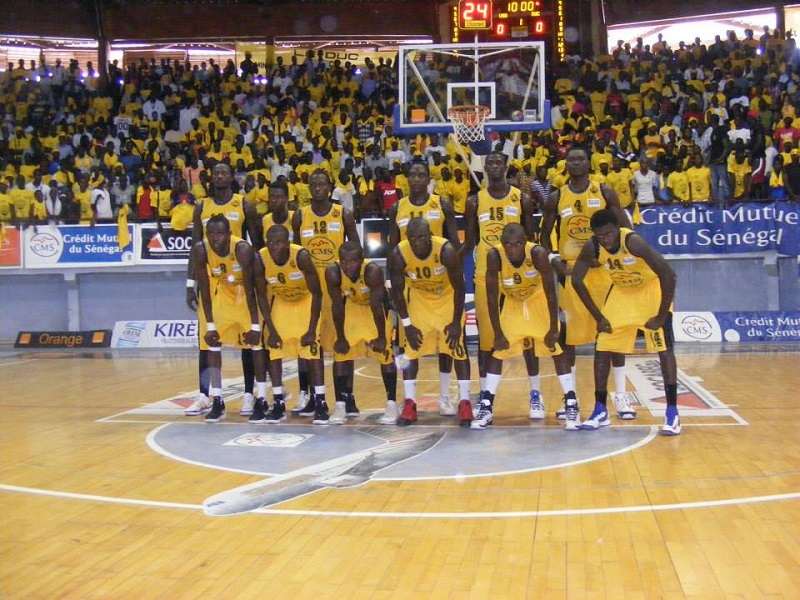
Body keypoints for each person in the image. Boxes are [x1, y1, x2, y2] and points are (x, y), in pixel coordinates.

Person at [541, 146, 634, 429]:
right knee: (568, 338)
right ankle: (570, 399)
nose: (576, 162)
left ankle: (620, 396)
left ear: (588, 162)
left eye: (581, 158)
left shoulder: (604, 191)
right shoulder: (557, 196)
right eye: (572, 159)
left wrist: (623, 257)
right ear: (566, 164)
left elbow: (625, 226)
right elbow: (544, 235)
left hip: (604, 272)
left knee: (611, 334)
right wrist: (554, 259)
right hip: (573, 274)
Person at [571, 209, 681, 435]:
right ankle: (600, 408)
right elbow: (576, 280)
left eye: (609, 234)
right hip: (623, 293)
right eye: (600, 235)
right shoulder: (593, 246)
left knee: (663, 348)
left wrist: (661, 316)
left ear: (617, 229)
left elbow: (668, 275)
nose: (606, 240)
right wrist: (598, 317)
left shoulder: (633, 242)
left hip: (651, 290)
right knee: (602, 346)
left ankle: (672, 412)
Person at [476, 223, 579, 430]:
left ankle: (571, 402)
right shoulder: (494, 255)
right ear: (502, 243)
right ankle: (486, 405)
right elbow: (491, 295)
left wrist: (553, 327)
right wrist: (497, 332)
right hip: (513, 304)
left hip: (538, 301)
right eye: (508, 244)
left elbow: (551, 292)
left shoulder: (538, 253)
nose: (512, 248)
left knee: (555, 349)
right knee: (499, 351)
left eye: (517, 244)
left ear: (525, 242)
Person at [387, 160, 463, 420]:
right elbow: (393, 249)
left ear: (428, 178)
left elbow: (454, 242)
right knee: (410, 348)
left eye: (421, 174)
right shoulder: (397, 207)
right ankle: (409, 401)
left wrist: (449, 265)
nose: (417, 178)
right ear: (406, 179)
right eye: (412, 174)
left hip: (442, 281)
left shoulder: (442, 204)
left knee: (446, 346)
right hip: (413, 287)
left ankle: (444, 397)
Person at [185, 163, 262, 417]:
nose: (219, 175)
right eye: (216, 172)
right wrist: (189, 283)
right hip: (211, 280)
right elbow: (195, 247)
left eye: (224, 172)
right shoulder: (201, 206)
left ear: (231, 177)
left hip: (240, 279)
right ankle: (205, 395)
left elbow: (258, 245)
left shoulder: (244, 205)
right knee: (207, 342)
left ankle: (250, 394)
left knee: (248, 341)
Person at [461, 151, 536, 408]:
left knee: (527, 335)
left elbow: (531, 240)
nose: (494, 166)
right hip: (485, 275)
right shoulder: (474, 201)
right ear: (485, 167)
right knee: (487, 338)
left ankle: (535, 393)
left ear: (505, 167)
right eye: (489, 162)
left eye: (498, 163)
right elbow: (468, 241)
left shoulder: (522, 199)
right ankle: (484, 395)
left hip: (516, 277)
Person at [291, 169, 360, 419]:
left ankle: (346, 397)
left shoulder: (343, 214)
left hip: (337, 291)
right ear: (309, 188)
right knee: (312, 347)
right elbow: (293, 253)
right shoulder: (300, 216)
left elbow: (356, 251)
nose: (318, 187)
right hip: (309, 292)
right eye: (313, 183)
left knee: (343, 345)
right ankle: (315, 397)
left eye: (322, 184)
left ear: (330, 188)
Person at [389, 218, 471, 427]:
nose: (418, 242)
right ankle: (409, 402)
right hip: (418, 299)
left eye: (423, 237)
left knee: (457, 348)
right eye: (414, 238)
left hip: (447, 298)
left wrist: (455, 322)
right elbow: (397, 292)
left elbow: (460, 288)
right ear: (407, 238)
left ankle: (464, 402)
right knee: (409, 352)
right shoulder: (399, 254)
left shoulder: (446, 250)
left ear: (430, 235)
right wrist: (407, 325)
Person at [191, 214, 267, 423]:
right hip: (223, 295)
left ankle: (261, 398)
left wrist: (254, 325)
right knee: (213, 347)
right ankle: (217, 400)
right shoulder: (201, 249)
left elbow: (252, 288)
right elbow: (205, 290)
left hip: (244, 296)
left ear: (229, 234)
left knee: (256, 346)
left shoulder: (242, 249)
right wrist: (211, 325)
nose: (215, 238)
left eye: (220, 233)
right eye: (211, 233)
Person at [252, 224, 324, 424]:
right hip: (282, 302)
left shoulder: (300, 256)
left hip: (305, 300)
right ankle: (278, 403)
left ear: (288, 242)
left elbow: (317, 293)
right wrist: (271, 330)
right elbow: (261, 296)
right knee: (275, 350)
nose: (274, 246)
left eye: (279, 242)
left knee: (311, 350)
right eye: (271, 242)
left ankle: (320, 402)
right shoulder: (261, 258)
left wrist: (311, 329)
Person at [326, 241, 397, 424]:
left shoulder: (372, 271)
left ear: (362, 260)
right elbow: (336, 305)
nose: (348, 266)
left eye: (353, 261)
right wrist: (340, 337)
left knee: (385, 354)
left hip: (375, 312)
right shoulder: (333, 272)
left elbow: (377, 306)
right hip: (352, 307)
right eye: (344, 261)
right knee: (341, 354)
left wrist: (381, 337)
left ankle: (392, 404)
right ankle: (341, 406)